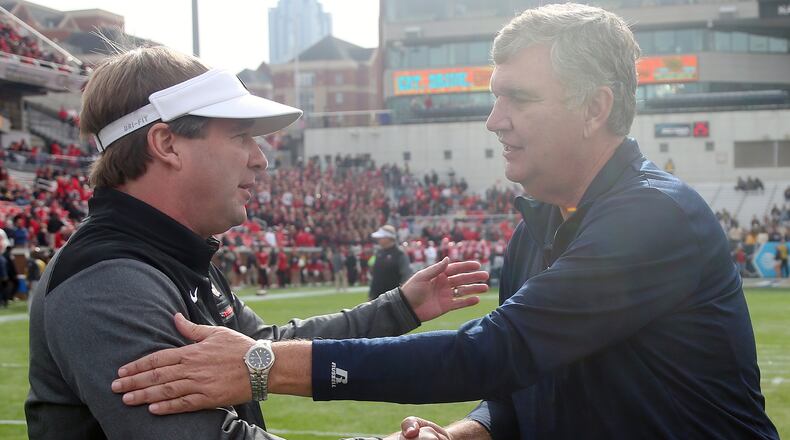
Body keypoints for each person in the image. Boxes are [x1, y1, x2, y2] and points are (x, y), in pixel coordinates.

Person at [112, 4, 778, 439]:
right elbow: (527, 382)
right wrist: (466, 433)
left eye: (517, 98)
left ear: (595, 106)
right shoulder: (538, 225)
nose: (494, 121)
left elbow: (491, 353)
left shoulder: (652, 217)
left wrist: (262, 365)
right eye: (494, 99)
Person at [24, 46, 489, 440]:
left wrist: (399, 307)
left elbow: (261, 347)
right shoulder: (110, 281)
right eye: (241, 136)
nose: (260, 159)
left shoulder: (168, 253)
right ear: (166, 143)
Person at [369, 224, 412, 300]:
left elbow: (406, 276)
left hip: (393, 299)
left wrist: (402, 297)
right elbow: (376, 276)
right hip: (377, 298)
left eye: (381, 237)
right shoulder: (379, 253)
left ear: (388, 238)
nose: (378, 239)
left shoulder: (400, 254)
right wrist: (371, 295)